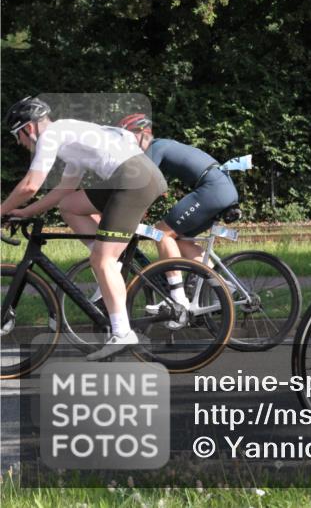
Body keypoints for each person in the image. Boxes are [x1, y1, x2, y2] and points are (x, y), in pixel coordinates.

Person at [1, 97, 167, 359]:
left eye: (17, 136)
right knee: (70, 204)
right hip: (131, 176)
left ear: (28, 128)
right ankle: (112, 263)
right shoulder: (69, 135)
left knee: (101, 260)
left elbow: (30, 185)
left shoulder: (50, 136)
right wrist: (24, 212)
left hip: (131, 179)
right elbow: (64, 191)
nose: (20, 143)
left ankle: (122, 333)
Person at [117, 114, 239, 327]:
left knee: (162, 233)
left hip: (212, 188)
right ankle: (223, 286)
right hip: (221, 188)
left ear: (144, 134)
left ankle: (178, 298)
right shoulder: (163, 146)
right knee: (182, 240)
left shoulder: (154, 148)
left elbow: (142, 187)